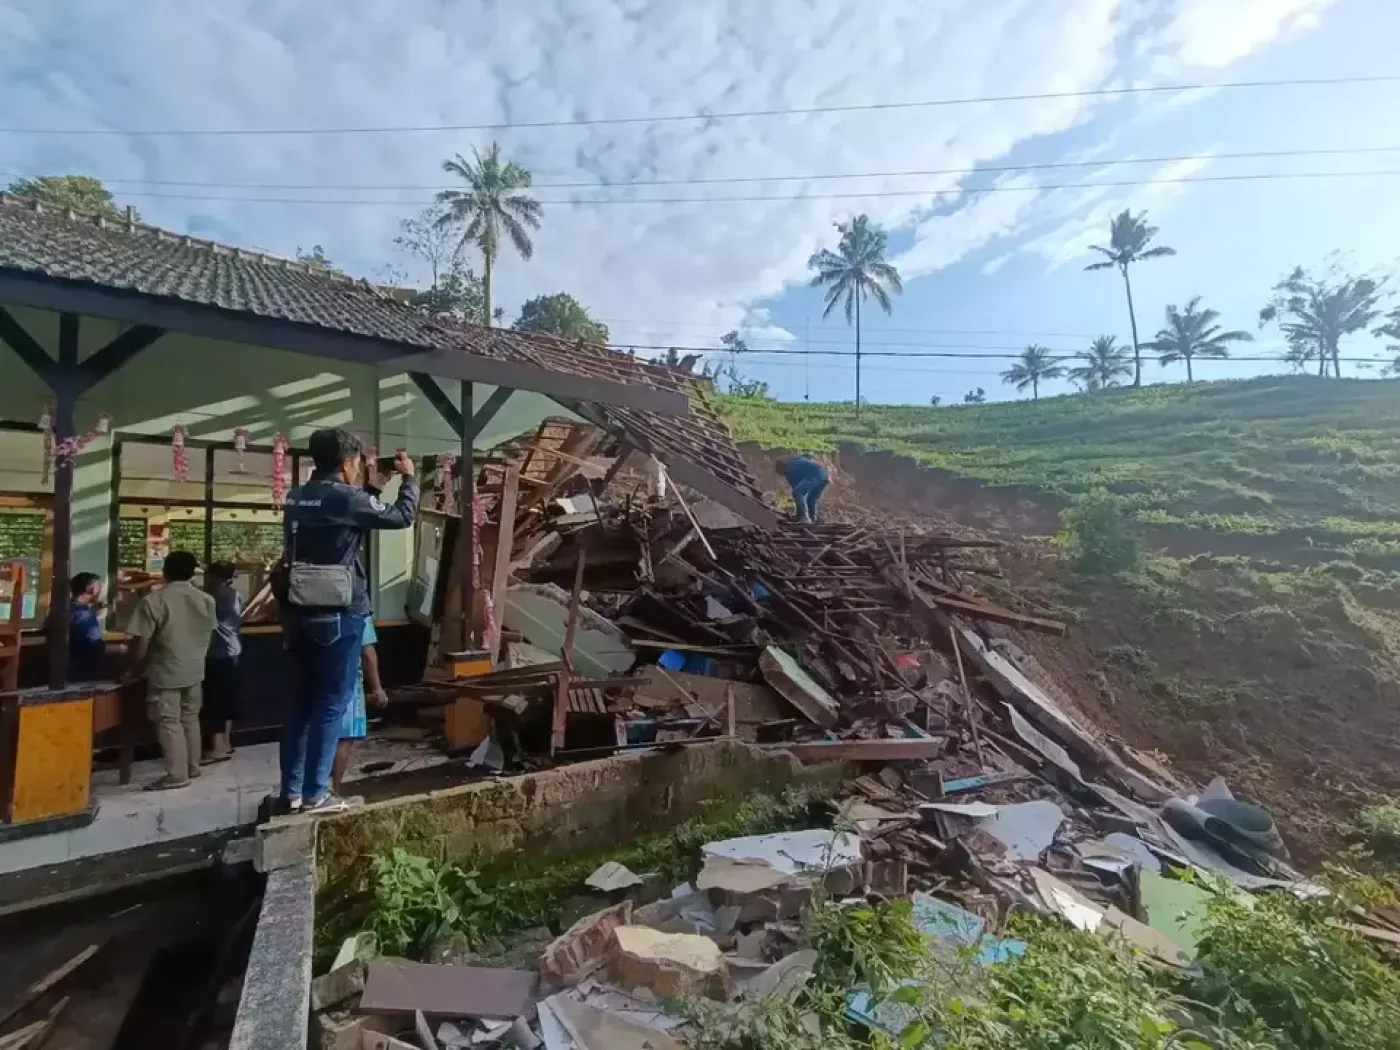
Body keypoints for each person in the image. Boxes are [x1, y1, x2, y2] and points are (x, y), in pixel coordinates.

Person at [278, 428, 417, 815]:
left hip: (298, 612)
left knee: (300, 706)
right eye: (356, 463)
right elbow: (403, 517)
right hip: (338, 613)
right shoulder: (347, 498)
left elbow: (341, 522)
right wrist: (408, 479)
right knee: (331, 704)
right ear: (346, 462)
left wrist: (369, 491)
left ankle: (291, 791)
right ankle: (316, 794)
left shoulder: (297, 496)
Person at [126, 551, 217, 791]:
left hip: (165, 671)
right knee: (190, 717)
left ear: (165, 571)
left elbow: (140, 643)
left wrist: (134, 666)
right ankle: (193, 766)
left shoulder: (154, 601)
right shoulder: (206, 600)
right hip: (196, 668)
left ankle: (177, 775)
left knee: (168, 721)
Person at [331, 618, 388, 794]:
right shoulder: (358, 607)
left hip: (315, 674)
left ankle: (302, 791)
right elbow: (368, 651)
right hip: (346, 679)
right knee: (343, 738)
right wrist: (377, 688)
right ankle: (332, 791)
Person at [201, 562, 243, 764]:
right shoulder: (234, 594)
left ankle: (217, 746)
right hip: (233, 650)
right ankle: (226, 743)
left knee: (215, 699)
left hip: (217, 651)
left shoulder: (213, 597)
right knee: (227, 698)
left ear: (214, 576)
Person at [68, 572, 106, 682]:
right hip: (83, 671)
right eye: (99, 586)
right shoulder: (85, 615)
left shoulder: (67, 608)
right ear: (92, 589)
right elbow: (94, 646)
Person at [775, 454, 830, 523]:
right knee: (811, 499)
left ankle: (805, 518)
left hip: (815, 474)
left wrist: (799, 515)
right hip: (825, 475)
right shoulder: (795, 461)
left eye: (780, 472)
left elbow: (797, 493)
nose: (782, 475)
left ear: (782, 467)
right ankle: (813, 518)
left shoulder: (790, 468)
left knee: (798, 492)